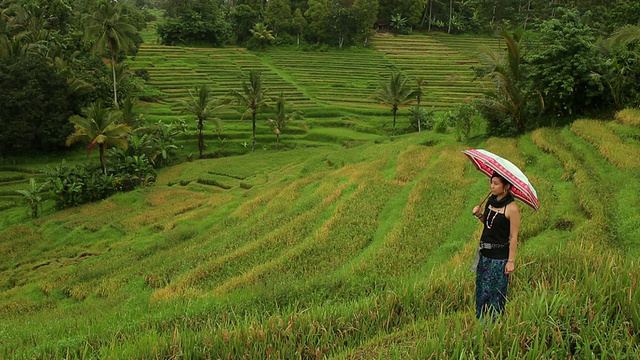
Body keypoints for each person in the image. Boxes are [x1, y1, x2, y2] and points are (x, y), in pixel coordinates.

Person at [471, 171, 521, 320]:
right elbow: (488, 224)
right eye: (491, 182)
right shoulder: (491, 201)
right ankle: (481, 323)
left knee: (496, 294)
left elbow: (513, 237)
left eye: (496, 183)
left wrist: (510, 261)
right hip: (484, 255)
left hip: (499, 259)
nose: (492, 186)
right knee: (481, 291)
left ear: (505, 187)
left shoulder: (512, 209)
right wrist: (480, 215)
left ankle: (494, 327)